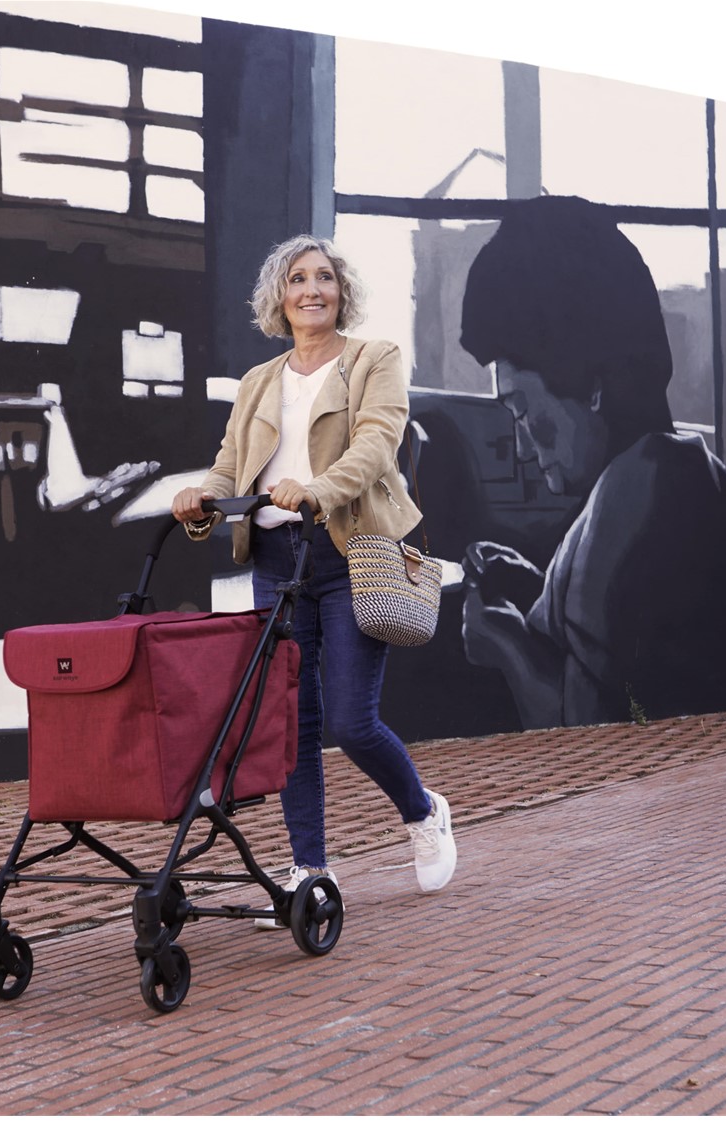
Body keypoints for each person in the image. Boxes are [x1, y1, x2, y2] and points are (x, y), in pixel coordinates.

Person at [172, 233, 457, 919]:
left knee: (353, 722)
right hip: (276, 563)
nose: (312, 290)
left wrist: (319, 489)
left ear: (341, 291)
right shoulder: (259, 381)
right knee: (294, 727)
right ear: (280, 297)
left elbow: (377, 443)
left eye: (324, 278)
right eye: (297, 279)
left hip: (349, 553)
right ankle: (309, 868)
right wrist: (199, 497)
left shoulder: (372, 360)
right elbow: (231, 464)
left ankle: (423, 813)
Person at [458, 195, 726, 728]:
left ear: (591, 384)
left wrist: (506, 643)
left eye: (524, 409)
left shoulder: (636, 491)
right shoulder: (686, 472)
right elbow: (626, 637)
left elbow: (595, 730)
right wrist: (540, 591)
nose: (522, 439)